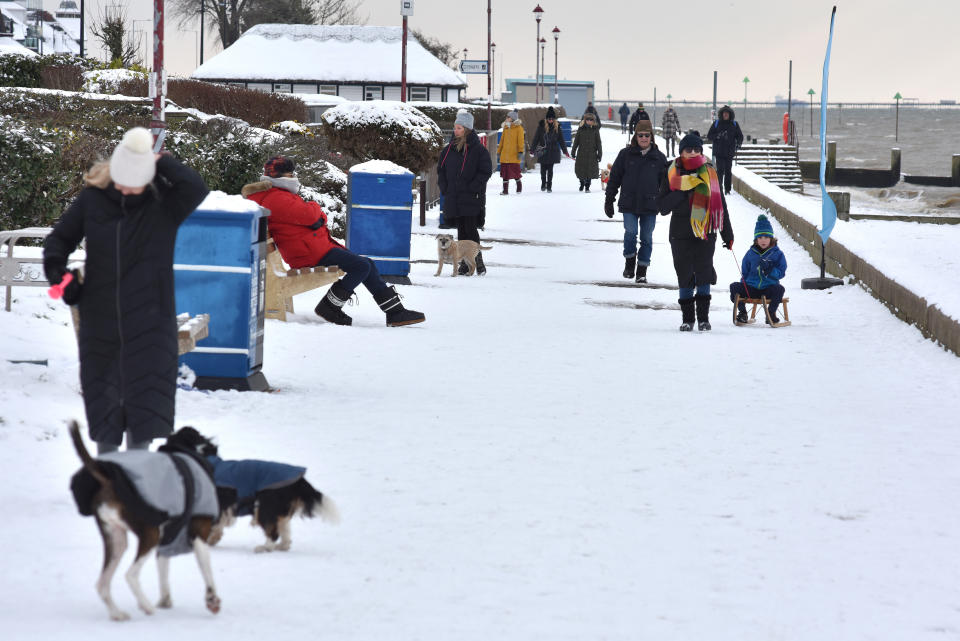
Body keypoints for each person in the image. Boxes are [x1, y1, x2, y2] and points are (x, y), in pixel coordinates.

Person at [43, 127, 209, 454]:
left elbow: (195, 187)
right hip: (101, 319)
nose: (124, 190)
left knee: (143, 410)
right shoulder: (93, 200)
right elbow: (59, 240)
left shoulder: (165, 205)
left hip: (150, 320)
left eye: (133, 184)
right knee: (104, 407)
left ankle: (137, 483)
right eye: (120, 181)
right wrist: (59, 274)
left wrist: (158, 161)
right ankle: (107, 481)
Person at [243, 156, 425, 325]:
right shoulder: (278, 197)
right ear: (281, 176)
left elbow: (312, 218)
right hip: (308, 253)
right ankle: (330, 307)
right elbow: (311, 215)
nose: (293, 177)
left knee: (365, 263)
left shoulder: (275, 195)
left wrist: (316, 216)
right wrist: (315, 208)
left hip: (310, 248)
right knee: (361, 266)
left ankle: (395, 311)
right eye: (290, 174)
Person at [657, 130, 734, 332]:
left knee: (703, 273)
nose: (692, 152)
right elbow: (663, 207)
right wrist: (684, 191)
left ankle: (704, 319)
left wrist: (728, 234)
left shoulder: (709, 173)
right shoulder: (672, 173)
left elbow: (721, 206)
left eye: (696, 149)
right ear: (681, 151)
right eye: (688, 149)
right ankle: (687, 319)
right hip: (680, 233)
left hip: (706, 231)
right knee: (684, 275)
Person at [604, 119, 667, 283]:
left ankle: (642, 270)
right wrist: (609, 200)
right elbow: (614, 178)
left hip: (650, 204)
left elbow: (666, 184)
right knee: (630, 232)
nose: (644, 138)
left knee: (646, 238)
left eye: (647, 135)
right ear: (636, 136)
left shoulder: (659, 158)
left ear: (651, 137)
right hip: (629, 203)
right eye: (641, 135)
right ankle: (629, 261)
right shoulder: (625, 155)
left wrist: (666, 202)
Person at [436, 110, 493, 274]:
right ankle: (465, 263)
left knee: (470, 229)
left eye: (459, 127)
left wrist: (473, 187)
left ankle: (478, 262)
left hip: (471, 197)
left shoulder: (478, 150)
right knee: (461, 230)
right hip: (454, 196)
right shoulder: (448, 149)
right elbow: (441, 170)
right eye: (455, 127)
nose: (455, 130)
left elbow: (485, 171)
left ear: (467, 129)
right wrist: (444, 187)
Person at [730, 215, 787, 324]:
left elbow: (781, 272)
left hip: (768, 288)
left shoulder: (777, 254)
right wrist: (744, 284)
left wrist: (770, 270)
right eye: (760, 237)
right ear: (756, 239)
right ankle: (742, 313)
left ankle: (770, 313)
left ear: (771, 238)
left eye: (766, 237)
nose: (763, 240)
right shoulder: (750, 253)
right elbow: (745, 272)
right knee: (734, 287)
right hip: (752, 288)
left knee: (780, 289)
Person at [530, 106, 570, 193]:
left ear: (554, 119)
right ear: (547, 118)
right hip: (543, 151)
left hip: (553, 151)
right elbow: (536, 138)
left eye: (552, 119)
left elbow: (561, 140)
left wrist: (565, 151)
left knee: (550, 170)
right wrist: (532, 149)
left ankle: (549, 186)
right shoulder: (541, 126)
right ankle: (543, 183)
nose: (550, 120)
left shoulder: (557, 127)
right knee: (543, 170)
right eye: (549, 119)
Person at [706, 105, 744, 195]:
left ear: (730, 114)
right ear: (721, 114)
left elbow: (740, 136)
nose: (725, 115)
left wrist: (739, 143)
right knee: (720, 170)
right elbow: (709, 135)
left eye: (727, 113)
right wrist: (718, 135)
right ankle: (719, 188)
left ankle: (727, 190)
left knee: (728, 171)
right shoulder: (717, 123)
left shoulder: (734, 124)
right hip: (719, 152)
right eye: (724, 113)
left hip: (729, 152)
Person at [571, 112, 602, 192]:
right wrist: (573, 152)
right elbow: (576, 141)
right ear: (585, 120)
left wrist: (600, 154)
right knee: (581, 170)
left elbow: (598, 142)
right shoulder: (581, 129)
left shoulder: (595, 130)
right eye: (587, 119)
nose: (589, 121)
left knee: (590, 171)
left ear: (593, 121)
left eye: (591, 119)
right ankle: (581, 183)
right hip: (581, 153)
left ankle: (587, 186)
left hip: (592, 154)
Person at [496, 110, 524, 195]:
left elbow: (520, 141)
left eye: (508, 117)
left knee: (516, 174)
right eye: (507, 117)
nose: (506, 118)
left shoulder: (519, 128)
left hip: (514, 155)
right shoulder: (506, 128)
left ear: (512, 119)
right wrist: (499, 151)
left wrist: (520, 151)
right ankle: (505, 190)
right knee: (505, 174)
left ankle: (519, 187)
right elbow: (502, 141)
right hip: (505, 155)